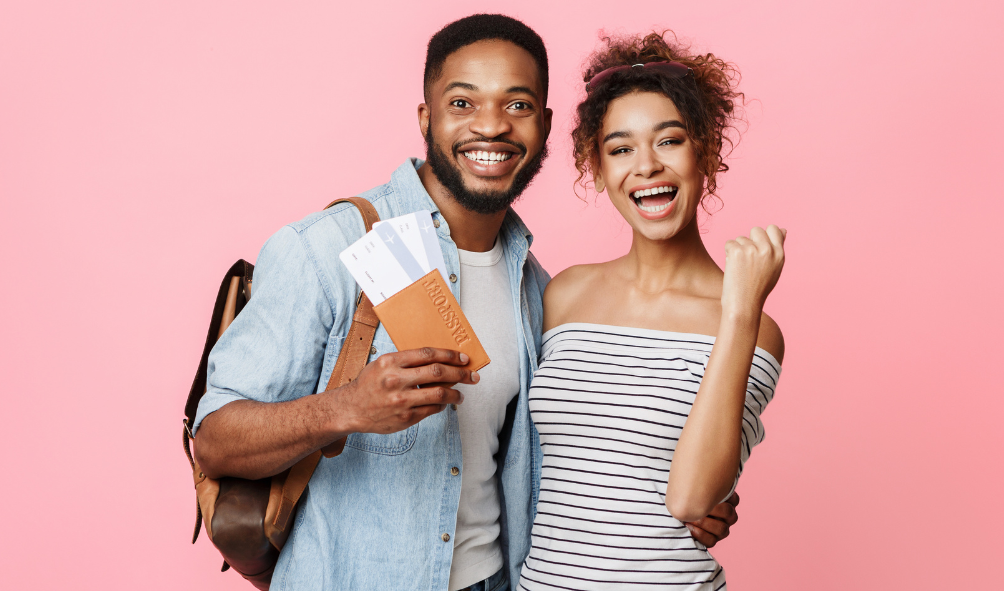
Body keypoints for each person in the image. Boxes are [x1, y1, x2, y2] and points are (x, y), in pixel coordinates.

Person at [192, 16, 738, 591]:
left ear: (546, 125)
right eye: (462, 102)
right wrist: (345, 409)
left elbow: (581, 441)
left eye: (518, 105)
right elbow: (215, 441)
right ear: (426, 118)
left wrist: (693, 496)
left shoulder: (536, 287)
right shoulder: (328, 247)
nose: (491, 126)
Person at [516, 33, 785, 590]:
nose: (645, 166)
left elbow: (691, 498)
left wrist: (739, 312)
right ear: (596, 169)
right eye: (620, 149)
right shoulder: (563, 296)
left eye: (669, 141)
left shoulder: (751, 325)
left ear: (705, 152)